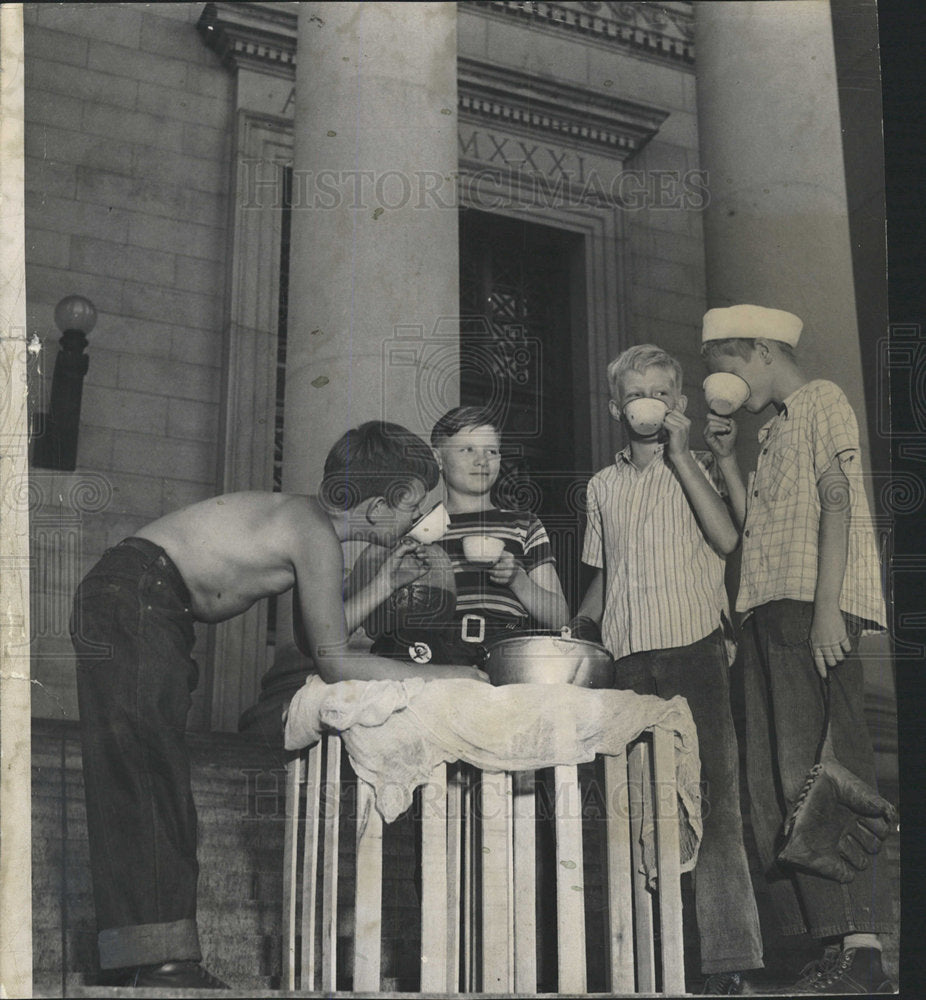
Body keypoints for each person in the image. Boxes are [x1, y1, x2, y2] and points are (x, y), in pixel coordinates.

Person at [71, 421, 487, 990]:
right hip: (138, 598)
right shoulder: (311, 532)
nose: (417, 519)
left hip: (137, 600)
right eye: (412, 504)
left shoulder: (305, 526)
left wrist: (386, 583)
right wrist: (454, 674)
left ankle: (137, 954)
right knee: (147, 772)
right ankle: (158, 959)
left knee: (141, 771)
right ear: (376, 505)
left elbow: (318, 648)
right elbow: (338, 664)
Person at [700, 305, 893, 995]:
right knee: (776, 785)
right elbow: (759, 531)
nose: (721, 386)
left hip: (810, 610)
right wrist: (725, 460)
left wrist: (826, 612)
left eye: (725, 369)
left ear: (760, 350)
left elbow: (837, 505)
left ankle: (861, 947)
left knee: (825, 772)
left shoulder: (820, 401)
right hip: (766, 610)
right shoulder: (773, 429)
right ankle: (825, 946)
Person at [574, 344, 764, 995]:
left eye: (660, 390)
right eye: (634, 392)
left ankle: (727, 964)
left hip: (694, 651)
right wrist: (576, 636)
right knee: (637, 808)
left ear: (677, 404)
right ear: (616, 407)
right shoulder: (601, 487)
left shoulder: (703, 466)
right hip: (629, 661)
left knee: (713, 804)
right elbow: (607, 578)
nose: (647, 401)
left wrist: (685, 456)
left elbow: (728, 539)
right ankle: (650, 961)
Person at [429, 405, 570, 646]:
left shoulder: (524, 524)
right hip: (441, 657)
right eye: (467, 449)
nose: (482, 460)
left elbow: (560, 618)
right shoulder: (422, 530)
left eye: (491, 451)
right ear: (438, 458)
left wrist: (517, 579)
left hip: (507, 654)